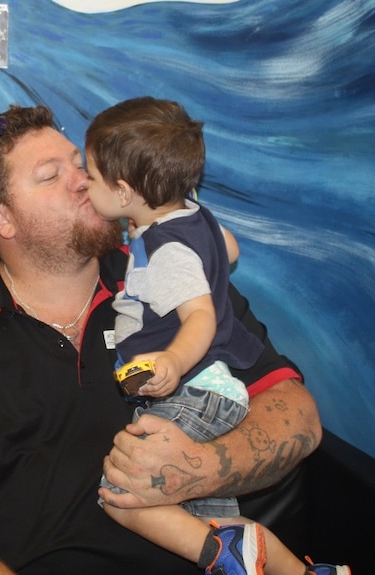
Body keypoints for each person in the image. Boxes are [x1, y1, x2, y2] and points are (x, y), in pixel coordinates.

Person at [0, 104, 326, 574]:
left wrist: (198, 466)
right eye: (51, 176)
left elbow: (298, 415)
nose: (82, 181)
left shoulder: (175, 275)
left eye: (79, 163)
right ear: (1, 218)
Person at [84, 97, 349, 575]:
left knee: (121, 493)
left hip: (195, 389)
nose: (82, 183)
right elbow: (227, 249)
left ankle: (219, 554)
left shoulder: (165, 252)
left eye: (90, 175)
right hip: (217, 390)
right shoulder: (191, 215)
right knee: (209, 516)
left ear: (123, 193)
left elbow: (201, 318)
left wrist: (173, 361)